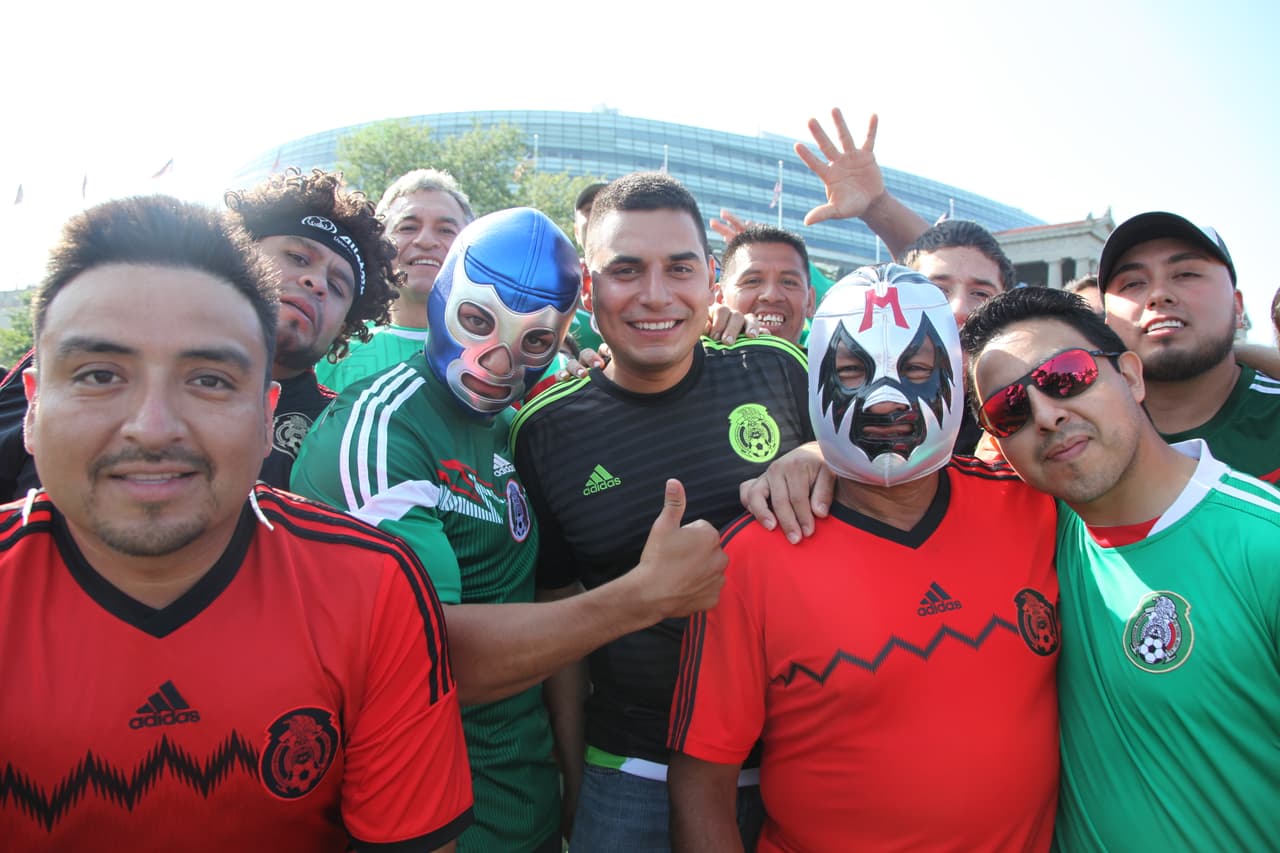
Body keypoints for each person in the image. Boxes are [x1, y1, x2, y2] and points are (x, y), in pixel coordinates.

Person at [0, 195, 472, 850]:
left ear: (266, 413)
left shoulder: (374, 590)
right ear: (30, 405)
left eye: (211, 381)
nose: (153, 426)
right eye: (101, 374)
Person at [291, 206, 730, 853]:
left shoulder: (513, 428)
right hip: (430, 824)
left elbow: (541, 609)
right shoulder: (382, 429)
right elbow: (424, 660)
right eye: (477, 321)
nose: (498, 360)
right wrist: (642, 597)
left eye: (533, 342)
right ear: (445, 294)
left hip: (528, 810)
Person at [666, 264, 1059, 852]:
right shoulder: (754, 554)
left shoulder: (1036, 507)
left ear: (957, 376)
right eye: (850, 371)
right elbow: (702, 782)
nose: (886, 398)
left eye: (919, 369)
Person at [510, 172, 813, 851]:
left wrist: (819, 451)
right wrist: (574, 769)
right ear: (589, 292)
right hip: (630, 767)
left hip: (800, 757)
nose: (655, 294)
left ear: (709, 279)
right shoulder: (543, 431)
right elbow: (557, 606)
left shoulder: (779, 369)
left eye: (679, 269)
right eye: (625, 270)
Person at [962, 285, 1280, 850]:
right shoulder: (1031, 528)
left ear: (1131, 377)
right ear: (997, 443)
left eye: (1066, 376)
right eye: (1009, 409)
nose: (1047, 414)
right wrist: (813, 458)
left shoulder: (1264, 543)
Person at [1097, 211, 1280, 482]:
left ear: (1237, 306)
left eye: (1186, 274)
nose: (1159, 295)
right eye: (1133, 283)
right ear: (1107, 322)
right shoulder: (1074, 436)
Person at [315, 169, 474, 393]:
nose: (426, 241)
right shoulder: (332, 350)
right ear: (378, 243)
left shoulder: (504, 353)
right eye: (407, 227)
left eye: (446, 230)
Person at [715, 224, 814, 344]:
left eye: (788, 282)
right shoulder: (693, 353)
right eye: (753, 281)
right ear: (720, 297)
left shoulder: (830, 360)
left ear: (810, 301)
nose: (771, 296)